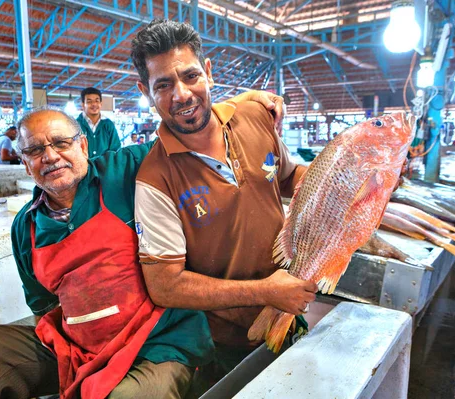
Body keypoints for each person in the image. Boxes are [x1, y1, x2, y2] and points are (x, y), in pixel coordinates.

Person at [0, 87, 285, 399]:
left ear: (83, 145)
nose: (50, 156)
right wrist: (80, 332)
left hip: (154, 343)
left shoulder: (123, 170)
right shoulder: (24, 226)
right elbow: (42, 304)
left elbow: (187, 132)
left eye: (61, 143)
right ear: (24, 161)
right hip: (76, 345)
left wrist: (243, 102)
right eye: (34, 149)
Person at [131, 19, 317, 392]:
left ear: (209, 72)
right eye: (163, 85)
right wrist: (266, 291)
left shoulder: (253, 117)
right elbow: (165, 286)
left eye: (190, 75)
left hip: (291, 308)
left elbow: (287, 177)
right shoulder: (155, 180)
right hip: (223, 341)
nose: (181, 94)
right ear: (146, 92)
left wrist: (341, 179)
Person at [77, 87, 121, 158]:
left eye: (97, 101)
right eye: (89, 101)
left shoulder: (108, 125)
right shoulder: (75, 125)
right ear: (83, 105)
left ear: (101, 103)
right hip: (83, 167)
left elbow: (115, 149)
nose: (94, 104)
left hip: (105, 168)